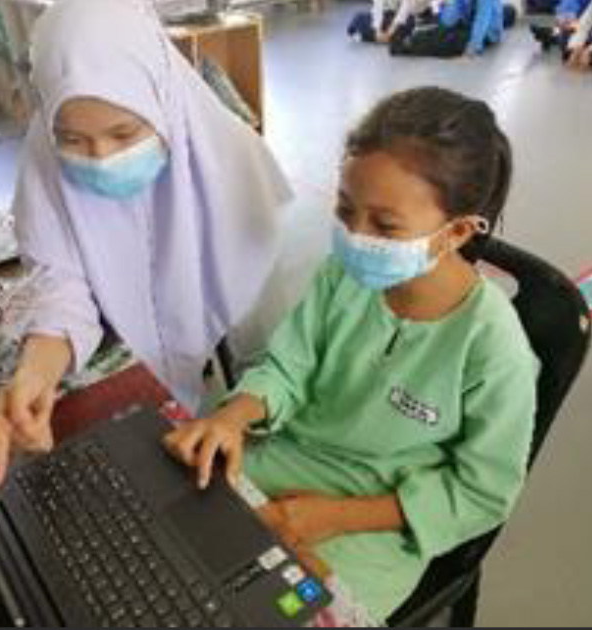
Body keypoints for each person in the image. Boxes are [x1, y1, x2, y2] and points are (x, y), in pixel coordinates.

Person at [164, 87, 537, 620]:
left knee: (261, 609)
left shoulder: (492, 347)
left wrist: (331, 517)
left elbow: (482, 492)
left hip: (378, 522)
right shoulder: (343, 276)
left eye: (385, 226)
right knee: (165, 546)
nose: (354, 236)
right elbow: (288, 367)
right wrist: (232, 416)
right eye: (345, 209)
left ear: (455, 232)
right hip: (284, 460)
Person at [0, 0, 292, 486]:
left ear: (163, 101)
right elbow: (59, 279)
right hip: (115, 348)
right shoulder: (44, 160)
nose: (101, 157)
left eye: (123, 133)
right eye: (72, 139)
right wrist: (37, 372)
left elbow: (278, 343)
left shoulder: (226, 160)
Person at [391, 0, 517, 57]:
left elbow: (482, 20)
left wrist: (473, 47)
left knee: (453, 42)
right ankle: (410, 41)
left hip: (487, 33)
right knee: (441, 33)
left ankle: (409, 46)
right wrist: (441, 29)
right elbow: (449, 19)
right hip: (467, 25)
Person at [347, 0, 438, 47]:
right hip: (392, 14)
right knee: (358, 17)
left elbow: (404, 9)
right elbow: (377, 7)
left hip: (413, 14)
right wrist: (377, 30)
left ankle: (374, 37)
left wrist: (391, 31)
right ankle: (388, 38)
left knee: (409, 23)